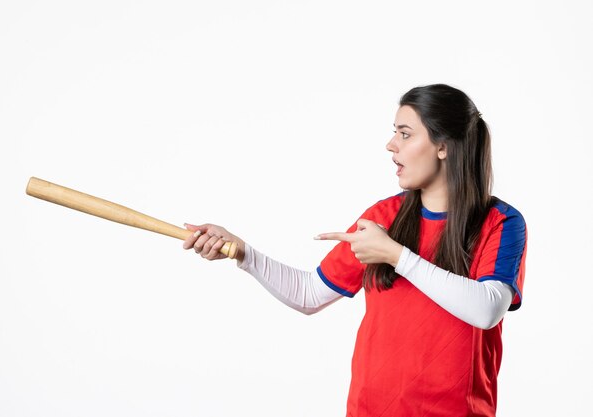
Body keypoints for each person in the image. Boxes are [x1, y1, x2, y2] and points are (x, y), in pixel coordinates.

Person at [181, 83, 528, 417]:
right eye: (395, 132)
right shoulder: (383, 217)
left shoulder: (501, 222)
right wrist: (242, 252)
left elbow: (486, 309)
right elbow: (308, 293)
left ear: (444, 146)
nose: (391, 145)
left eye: (405, 134)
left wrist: (396, 256)